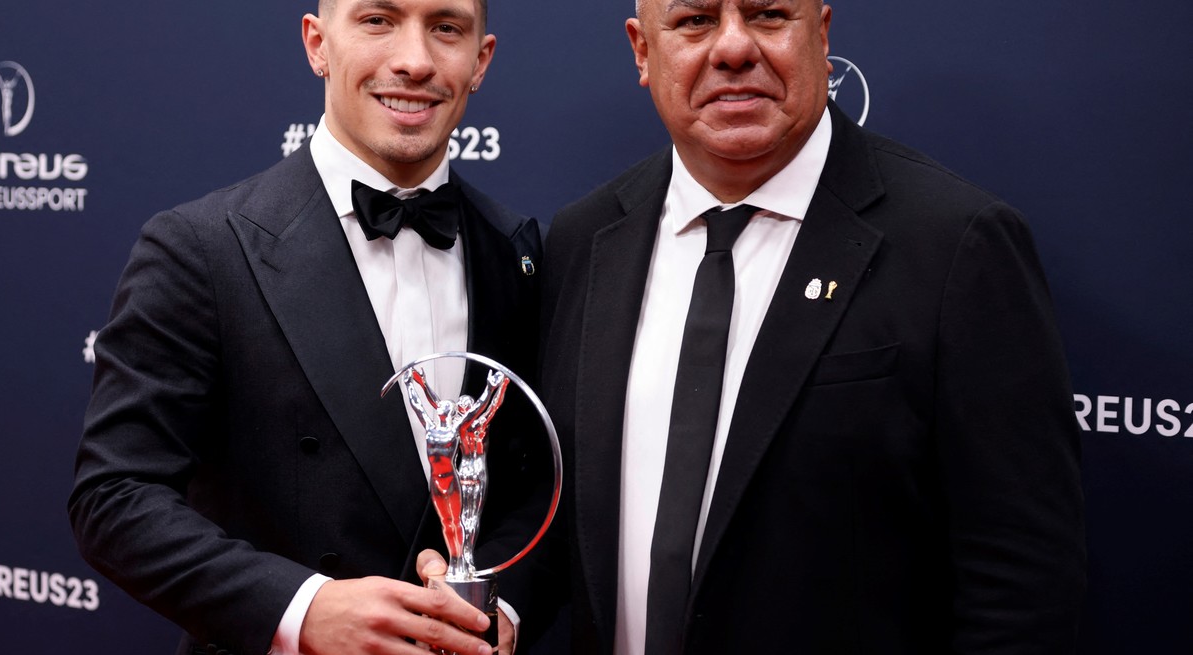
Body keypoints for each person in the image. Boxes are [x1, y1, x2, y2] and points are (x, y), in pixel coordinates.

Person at [537, 1, 1086, 653]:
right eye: (695, 20)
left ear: (821, 35)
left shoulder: (957, 245)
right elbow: (554, 513)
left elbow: (1023, 583)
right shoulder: (582, 239)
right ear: (642, 49)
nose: (733, 48)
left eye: (768, 14)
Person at [68, 0, 544, 653]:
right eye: (377, 20)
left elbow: (534, 482)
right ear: (318, 44)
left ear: (480, 60)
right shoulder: (201, 248)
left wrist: (500, 602)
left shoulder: (517, 250)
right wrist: (302, 608)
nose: (414, 60)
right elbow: (114, 496)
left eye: (446, 27)